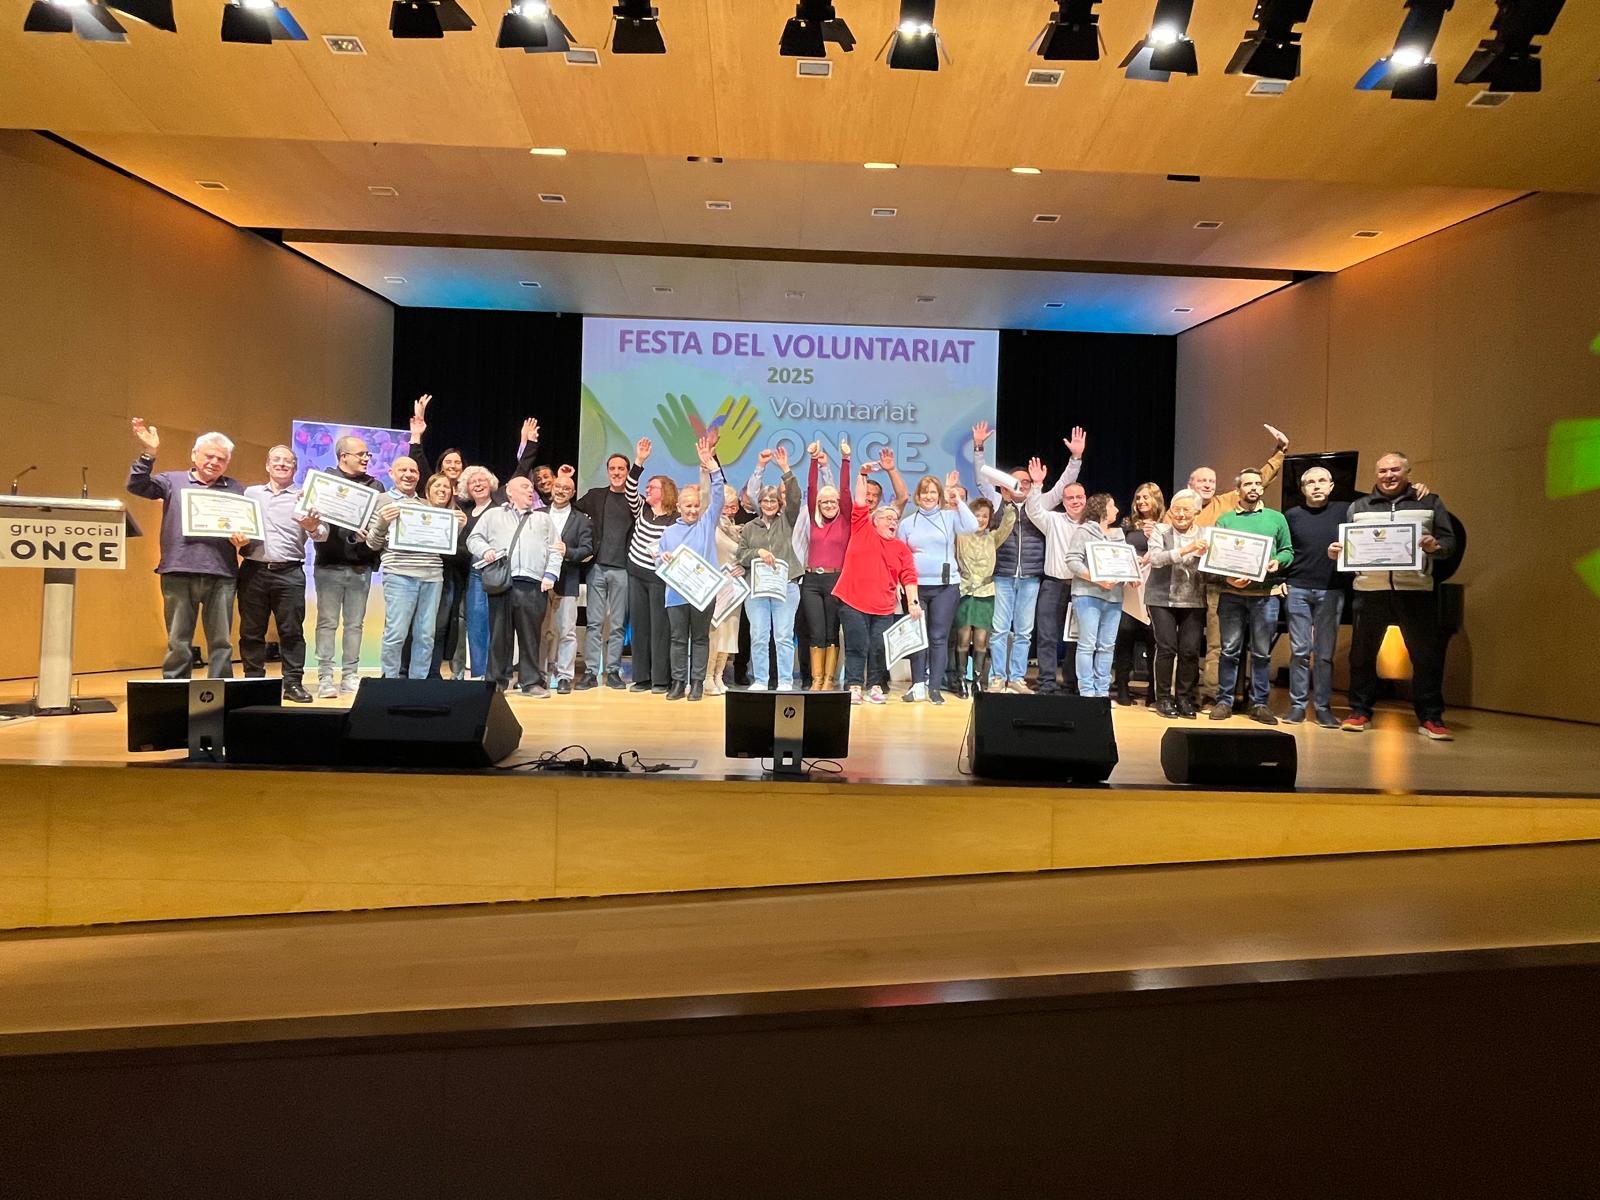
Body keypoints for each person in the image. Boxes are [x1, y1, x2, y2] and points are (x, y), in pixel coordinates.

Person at [1334, 452, 1460, 740]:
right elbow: (1350, 545)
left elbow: (1450, 542)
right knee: (1362, 656)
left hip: (1415, 590)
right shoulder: (1359, 506)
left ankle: (1431, 718)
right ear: (1375, 474)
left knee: (1425, 656)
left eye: (1394, 470)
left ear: (1407, 472)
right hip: (1370, 590)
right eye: (1382, 471)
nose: (1388, 476)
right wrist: (1340, 553)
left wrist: (1434, 547)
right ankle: (1359, 712)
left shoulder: (1429, 502)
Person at [126, 420, 249, 679]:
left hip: (222, 573)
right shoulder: (172, 481)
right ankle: (175, 692)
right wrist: (149, 453)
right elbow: (137, 485)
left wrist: (243, 539)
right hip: (178, 569)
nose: (215, 462)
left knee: (222, 643)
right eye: (209, 456)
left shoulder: (236, 488)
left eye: (222, 459)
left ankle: (220, 693)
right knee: (178, 641)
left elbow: (244, 525)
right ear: (194, 455)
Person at [974, 422, 1084, 694]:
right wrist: (979, 448)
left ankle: (1017, 678)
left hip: (1031, 577)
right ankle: (998, 676)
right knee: (1000, 629)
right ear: (1005, 485)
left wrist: (1075, 458)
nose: (1021, 486)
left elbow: (1062, 487)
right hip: (1002, 574)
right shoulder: (999, 503)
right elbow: (980, 479)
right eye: (1016, 482)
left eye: (1026, 482)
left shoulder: (1040, 503)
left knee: (1024, 631)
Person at [1189, 423, 1291, 706]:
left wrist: (1280, 451)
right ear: (1190, 485)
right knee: (1208, 645)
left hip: (1221, 585)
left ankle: (1222, 696)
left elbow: (1260, 479)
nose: (1208, 485)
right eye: (1201, 481)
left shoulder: (1227, 503)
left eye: (1211, 480)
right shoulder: (1181, 508)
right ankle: (1206, 694)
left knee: (1224, 644)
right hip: (1188, 585)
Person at [238, 445, 327, 703]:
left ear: (295, 468)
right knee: (251, 631)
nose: (281, 464)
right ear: (267, 465)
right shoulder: (250, 493)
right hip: (253, 570)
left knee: (291, 632)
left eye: (288, 461)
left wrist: (313, 528)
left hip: (290, 572)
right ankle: (253, 681)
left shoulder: (305, 496)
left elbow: (323, 534)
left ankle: (292, 684)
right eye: (276, 460)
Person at [833, 456, 923, 705]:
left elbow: (909, 576)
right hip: (853, 601)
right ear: (874, 521)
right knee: (856, 646)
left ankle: (874, 685)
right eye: (888, 519)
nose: (893, 521)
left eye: (895, 520)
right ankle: (853, 686)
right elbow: (860, 500)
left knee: (878, 648)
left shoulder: (901, 548)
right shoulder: (862, 528)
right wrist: (861, 474)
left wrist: (913, 602)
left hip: (883, 606)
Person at [1208, 468, 1293, 724]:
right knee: (1229, 650)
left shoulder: (1276, 518)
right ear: (1238, 490)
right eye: (1248, 484)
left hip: (1264, 595)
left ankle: (1259, 704)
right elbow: (1216, 558)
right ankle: (1224, 701)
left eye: (1258, 483)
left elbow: (1288, 551)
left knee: (1261, 653)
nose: (1254, 487)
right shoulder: (1225, 520)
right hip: (1231, 595)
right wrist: (1228, 577)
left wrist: (1278, 561)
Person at [366, 457, 462, 680]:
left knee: (426, 635)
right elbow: (372, 543)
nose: (408, 474)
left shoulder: (427, 506)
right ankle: (389, 682)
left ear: (419, 476)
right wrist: (381, 522)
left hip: (432, 576)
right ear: (391, 473)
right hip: (399, 574)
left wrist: (456, 528)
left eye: (413, 470)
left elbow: (443, 547)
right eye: (403, 470)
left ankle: (417, 683)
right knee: (396, 633)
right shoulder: (381, 500)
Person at [468, 476, 559, 696]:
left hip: (533, 584)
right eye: (525, 487)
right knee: (499, 635)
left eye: (531, 487)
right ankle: (496, 682)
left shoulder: (543, 519)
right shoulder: (493, 515)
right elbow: (474, 538)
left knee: (530, 637)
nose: (531, 490)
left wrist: (551, 574)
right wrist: (485, 550)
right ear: (510, 492)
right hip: (502, 582)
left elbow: (556, 548)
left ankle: (530, 682)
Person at [310, 433, 385, 697]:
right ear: (344, 457)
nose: (366, 458)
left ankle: (350, 675)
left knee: (355, 624)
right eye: (361, 454)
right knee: (327, 622)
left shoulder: (375, 487)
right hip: (329, 564)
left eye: (368, 455)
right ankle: (325, 677)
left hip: (360, 566)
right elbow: (314, 521)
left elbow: (380, 526)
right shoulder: (324, 482)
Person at [896, 467, 977, 704]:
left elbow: (972, 526)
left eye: (933, 492)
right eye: (924, 492)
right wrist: (899, 582)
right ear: (917, 496)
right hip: (916, 588)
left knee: (938, 637)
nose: (929, 496)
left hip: (945, 587)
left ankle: (934, 688)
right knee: (918, 637)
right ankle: (917, 685)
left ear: (939, 495)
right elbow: (900, 556)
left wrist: (956, 497)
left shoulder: (950, 517)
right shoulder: (907, 523)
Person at [656, 437, 727, 701]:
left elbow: (718, 493)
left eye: (696, 506)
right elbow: (658, 562)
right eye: (688, 506)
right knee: (677, 639)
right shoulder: (668, 533)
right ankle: (677, 682)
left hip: (703, 594)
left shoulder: (707, 524)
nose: (693, 510)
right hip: (675, 595)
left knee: (699, 638)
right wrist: (661, 558)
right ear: (678, 507)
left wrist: (712, 467)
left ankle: (697, 682)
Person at [1282, 466, 1349, 728]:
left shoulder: (1346, 511)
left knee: (1323, 653)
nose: (1317, 486)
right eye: (1310, 482)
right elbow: (1284, 550)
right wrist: (1281, 582)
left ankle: (1323, 708)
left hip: (1331, 589)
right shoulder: (1292, 516)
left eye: (1322, 481)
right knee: (1299, 651)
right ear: (1303, 489)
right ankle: (1297, 707)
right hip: (1297, 588)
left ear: (1332, 486)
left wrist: (1416, 490)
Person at [738, 446, 804, 691]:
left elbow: (795, 496)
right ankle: (761, 680)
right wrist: (758, 553)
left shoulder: (787, 521)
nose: (768, 503)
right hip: (755, 588)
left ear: (779, 503)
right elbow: (741, 555)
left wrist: (786, 468)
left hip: (785, 586)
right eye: (764, 500)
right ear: (759, 503)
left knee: (784, 636)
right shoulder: (749, 527)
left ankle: (785, 680)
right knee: (759, 636)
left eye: (773, 500)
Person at [1023, 453, 1090, 694]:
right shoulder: (1053, 520)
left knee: (1077, 638)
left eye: (1079, 497)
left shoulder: (1093, 525)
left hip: (1083, 587)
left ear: (1086, 499)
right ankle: (1047, 683)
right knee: (1047, 636)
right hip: (1053, 585)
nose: (1075, 501)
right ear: (1062, 501)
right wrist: (1037, 484)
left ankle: (1072, 683)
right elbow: (1033, 510)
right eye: (1070, 497)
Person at [1062, 493, 1137, 699]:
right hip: (1087, 594)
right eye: (1113, 506)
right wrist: (1096, 578)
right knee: (1087, 644)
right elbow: (1072, 561)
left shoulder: (1119, 534)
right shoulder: (1084, 531)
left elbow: (1122, 563)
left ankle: (1102, 692)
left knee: (1107, 646)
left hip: (1113, 597)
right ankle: (1087, 692)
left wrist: (1131, 576)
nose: (1117, 511)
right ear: (1103, 509)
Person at [573, 452, 637, 691]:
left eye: (622, 468)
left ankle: (613, 671)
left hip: (623, 569)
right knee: (594, 623)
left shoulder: (634, 501)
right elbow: (572, 515)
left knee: (619, 624)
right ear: (608, 471)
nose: (617, 472)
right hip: (597, 568)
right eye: (613, 468)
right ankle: (591, 672)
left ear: (628, 472)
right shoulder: (595, 496)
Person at [1143, 489, 1207, 718]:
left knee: (1190, 651)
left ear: (1197, 512)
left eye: (1186, 510)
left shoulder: (1206, 534)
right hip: (1161, 598)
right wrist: (1188, 549)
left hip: (1194, 599)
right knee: (1167, 647)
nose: (1180, 514)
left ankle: (1185, 698)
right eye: (1176, 509)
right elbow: (1157, 559)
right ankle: (1163, 698)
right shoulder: (1160, 530)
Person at [625, 438, 677, 693]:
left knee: (659, 628)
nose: (648, 490)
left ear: (665, 491)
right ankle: (641, 678)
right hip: (636, 573)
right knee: (640, 627)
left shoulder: (675, 518)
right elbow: (629, 488)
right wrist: (639, 461)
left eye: (653, 487)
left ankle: (660, 680)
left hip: (660, 578)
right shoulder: (642, 510)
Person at [952, 496, 1016, 697]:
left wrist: (1008, 503)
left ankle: (977, 681)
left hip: (986, 593)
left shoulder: (992, 538)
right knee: (963, 639)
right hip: (964, 592)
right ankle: (961, 679)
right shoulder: (960, 537)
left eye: (985, 516)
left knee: (981, 640)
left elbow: (1008, 523)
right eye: (976, 515)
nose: (980, 519)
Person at [802, 443, 852, 690]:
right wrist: (812, 460)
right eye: (825, 502)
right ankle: (817, 679)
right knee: (816, 632)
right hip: (811, 582)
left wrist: (845, 459)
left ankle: (829, 680)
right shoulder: (813, 520)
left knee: (832, 632)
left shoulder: (844, 520)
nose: (829, 505)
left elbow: (844, 488)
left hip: (835, 580)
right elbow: (812, 488)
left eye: (833, 501)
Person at [539, 468, 595, 694]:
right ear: (551, 489)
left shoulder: (581, 519)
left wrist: (568, 551)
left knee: (567, 631)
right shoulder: (538, 514)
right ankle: (541, 674)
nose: (561, 491)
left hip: (568, 582)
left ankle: (564, 676)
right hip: (540, 582)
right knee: (542, 631)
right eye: (558, 487)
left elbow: (588, 549)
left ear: (572, 493)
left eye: (566, 489)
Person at [1111, 482, 1163, 706]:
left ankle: (1154, 691)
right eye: (1138, 497)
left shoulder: (1167, 524)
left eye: (1146, 498)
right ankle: (1122, 688)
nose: (1141, 501)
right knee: (1125, 636)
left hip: (1155, 587)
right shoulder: (1127, 524)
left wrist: (1157, 536)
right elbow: (1118, 551)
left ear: (1156, 500)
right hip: (1130, 587)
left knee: (1154, 640)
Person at [457, 465, 500, 679]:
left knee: (498, 625)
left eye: (482, 480)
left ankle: (496, 674)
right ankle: (479, 673)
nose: (478, 484)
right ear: (467, 489)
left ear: (491, 484)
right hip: (474, 575)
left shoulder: (502, 508)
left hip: (499, 572)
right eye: (473, 482)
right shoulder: (463, 514)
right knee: (476, 625)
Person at [705, 483, 746, 695]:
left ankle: (720, 676)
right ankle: (707, 677)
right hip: (715, 588)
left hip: (734, 589)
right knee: (715, 633)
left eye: (734, 507)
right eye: (727, 506)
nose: (731, 511)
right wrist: (707, 467)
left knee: (730, 633)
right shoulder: (711, 525)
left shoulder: (735, 528)